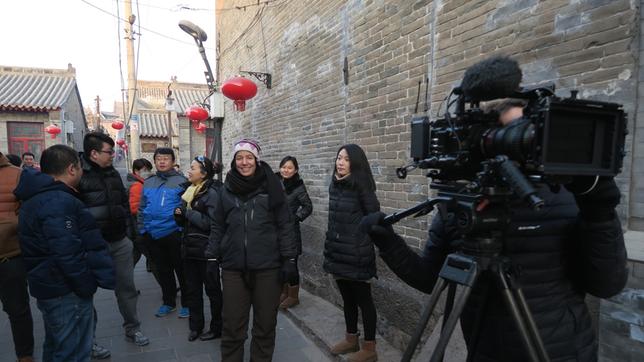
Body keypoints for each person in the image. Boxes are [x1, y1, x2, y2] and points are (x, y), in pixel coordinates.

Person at [359, 104, 629, 361]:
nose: (515, 144)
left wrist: (600, 211)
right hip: (484, 352)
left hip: (561, 354)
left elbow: (607, 284)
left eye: (524, 132)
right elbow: (429, 278)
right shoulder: (460, 207)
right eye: (503, 135)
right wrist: (388, 242)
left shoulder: (567, 197)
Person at [14, 144, 115, 362]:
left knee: (57, 345)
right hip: (65, 290)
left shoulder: (40, 196)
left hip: (51, 285)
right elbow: (67, 252)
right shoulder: (57, 202)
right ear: (71, 169)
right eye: (79, 167)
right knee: (74, 351)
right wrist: (85, 285)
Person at [207, 138, 297, 362]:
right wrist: (211, 256)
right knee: (232, 327)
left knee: (265, 326)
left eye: (249, 157)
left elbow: (285, 225)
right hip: (233, 268)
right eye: (239, 158)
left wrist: (290, 259)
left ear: (257, 160)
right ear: (234, 161)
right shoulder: (225, 190)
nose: (244, 162)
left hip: (268, 268)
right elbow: (218, 225)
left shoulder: (272, 189)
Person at [77, 132, 149, 355]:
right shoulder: (77, 174)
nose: (113, 156)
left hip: (119, 241)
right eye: (110, 152)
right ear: (94, 153)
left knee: (126, 287)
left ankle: (132, 328)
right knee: (85, 292)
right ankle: (90, 341)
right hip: (90, 246)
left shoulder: (114, 174)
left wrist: (131, 236)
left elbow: (124, 208)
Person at [324, 144, 381, 362]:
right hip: (338, 251)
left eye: (346, 159)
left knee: (363, 300)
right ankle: (351, 338)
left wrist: (360, 238)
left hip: (356, 252)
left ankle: (370, 348)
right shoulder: (335, 184)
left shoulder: (362, 185)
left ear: (355, 163)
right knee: (347, 298)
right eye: (339, 158)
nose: (340, 162)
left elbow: (374, 217)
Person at [174, 156, 223, 342]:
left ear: (203, 173)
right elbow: (184, 220)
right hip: (189, 250)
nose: (189, 171)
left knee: (213, 292)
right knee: (192, 292)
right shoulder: (189, 191)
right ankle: (195, 327)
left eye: (193, 168)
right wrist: (179, 215)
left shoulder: (211, 193)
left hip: (206, 251)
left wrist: (188, 213)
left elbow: (212, 223)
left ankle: (217, 327)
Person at [138, 147, 189, 318]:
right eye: (158, 158)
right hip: (153, 234)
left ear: (173, 161)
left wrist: (181, 229)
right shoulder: (149, 182)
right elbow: (142, 207)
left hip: (174, 233)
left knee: (182, 270)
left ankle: (188, 304)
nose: (162, 161)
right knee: (163, 271)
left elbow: (186, 207)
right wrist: (143, 229)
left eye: (166, 158)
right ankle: (169, 302)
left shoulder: (182, 182)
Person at [0, 151, 34, 362]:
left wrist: (11, 226)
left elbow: (28, 211)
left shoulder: (17, 175)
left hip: (10, 256)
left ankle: (25, 355)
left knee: (18, 310)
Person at [276, 156, 313, 309]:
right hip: (276, 231)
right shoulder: (275, 183)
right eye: (283, 167)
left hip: (290, 232)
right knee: (281, 265)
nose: (286, 170)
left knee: (291, 266)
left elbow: (308, 207)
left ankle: (293, 296)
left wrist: (295, 218)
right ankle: (284, 292)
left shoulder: (298, 187)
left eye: (290, 168)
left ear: (295, 170)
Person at [126, 158, 156, 273]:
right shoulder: (137, 186)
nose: (147, 172)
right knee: (153, 258)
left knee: (133, 258)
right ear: (136, 171)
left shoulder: (138, 183)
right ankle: (168, 288)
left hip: (134, 228)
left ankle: (124, 286)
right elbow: (135, 208)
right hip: (139, 228)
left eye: (148, 169)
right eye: (144, 169)